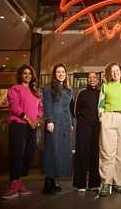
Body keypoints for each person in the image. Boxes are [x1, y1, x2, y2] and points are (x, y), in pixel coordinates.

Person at [2, 64, 42, 200]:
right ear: (20, 75)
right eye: (25, 73)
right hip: (19, 125)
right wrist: (29, 120)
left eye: (30, 74)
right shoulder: (15, 89)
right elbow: (14, 107)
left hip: (33, 127)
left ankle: (19, 182)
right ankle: (13, 184)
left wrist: (37, 121)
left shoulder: (35, 92)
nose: (27, 76)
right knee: (17, 153)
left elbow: (40, 108)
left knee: (27, 155)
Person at [97, 62, 121, 196]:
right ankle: (106, 183)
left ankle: (118, 183)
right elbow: (101, 104)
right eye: (112, 71)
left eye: (117, 70)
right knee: (107, 151)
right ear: (109, 74)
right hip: (109, 117)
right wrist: (102, 118)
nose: (115, 73)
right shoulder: (105, 86)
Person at [41, 63, 74, 194]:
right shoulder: (49, 87)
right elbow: (47, 105)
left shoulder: (68, 90)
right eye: (58, 72)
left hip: (65, 123)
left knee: (62, 151)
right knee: (52, 150)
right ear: (54, 74)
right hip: (54, 122)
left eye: (63, 72)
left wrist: (71, 122)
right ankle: (47, 182)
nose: (61, 74)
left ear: (66, 75)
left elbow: (69, 108)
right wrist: (49, 120)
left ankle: (54, 180)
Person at [72, 72, 101, 193]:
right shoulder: (82, 92)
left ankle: (94, 183)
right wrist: (82, 121)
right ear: (87, 80)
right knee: (82, 153)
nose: (92, 79)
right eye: (89, 77)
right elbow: (75, 110)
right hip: (84, 127)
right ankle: (81, 183)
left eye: (94, 77)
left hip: (97, 127)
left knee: (95, 154)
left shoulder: (101, 93)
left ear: (97, 80)